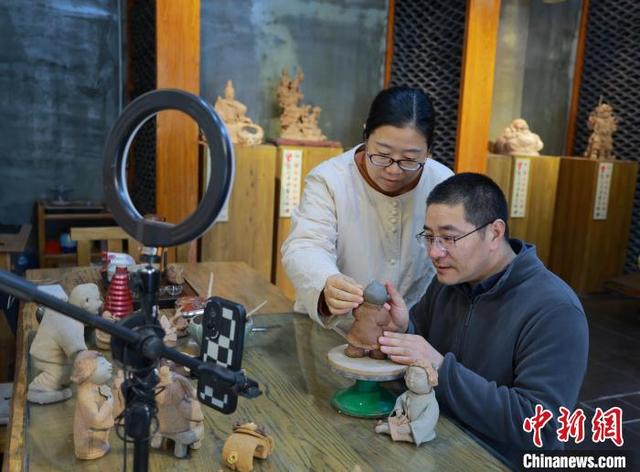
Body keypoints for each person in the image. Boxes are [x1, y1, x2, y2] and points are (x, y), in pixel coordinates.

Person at [377, 173, 589, 464]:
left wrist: (441, 369)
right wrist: (403, 330)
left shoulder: (555, 309)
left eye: (449, 238)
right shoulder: (447, 283)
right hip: (437, 444)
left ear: (494, 233)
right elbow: (422, 349)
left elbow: (542, 426)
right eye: (429, 237)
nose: (434, 252)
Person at [281, 86, 453, 329]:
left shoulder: (443, 184)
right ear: (365, 135)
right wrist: (326, 281)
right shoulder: (330, 180)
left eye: (409, 160)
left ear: (429, 151)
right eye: (382, 154)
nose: (393, 170)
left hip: (412, 329)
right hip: (339, 326)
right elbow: (306, 245)